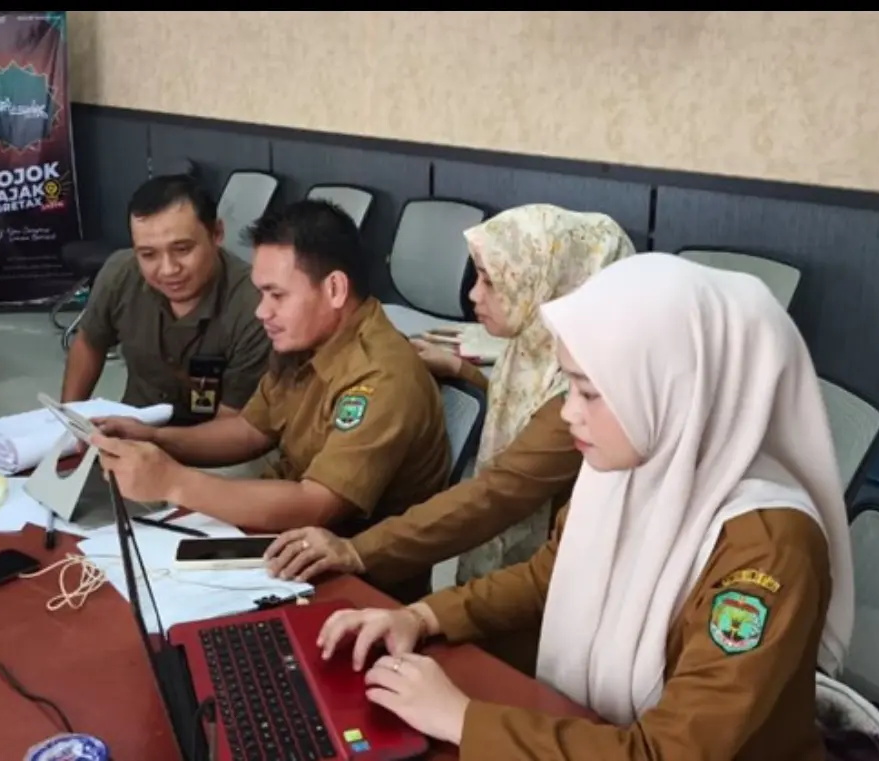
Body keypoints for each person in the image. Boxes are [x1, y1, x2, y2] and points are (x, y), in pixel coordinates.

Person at [314, 253, 854, 761]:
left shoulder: (770, 545)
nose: (569, 413)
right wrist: (421, 616)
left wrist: (463, 719)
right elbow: (549, 576)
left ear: (673, 393)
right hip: (593, 728)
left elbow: (670, 752)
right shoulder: (624, 470)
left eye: (588, 393)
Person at [265, 204, 635, 608]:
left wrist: (358, 550)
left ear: (548, 283)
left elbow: (497, 494)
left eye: (492, 281)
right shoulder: (534, 348)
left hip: (560, 597)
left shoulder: (581, 395)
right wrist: (462, 370)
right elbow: (521, 409)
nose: (474, 294)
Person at [92, 200, 451, 536]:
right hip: (285, 534)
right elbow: (250, 430)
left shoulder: (381, 377)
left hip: (346, 564)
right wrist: (154, 437)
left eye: (277, 295)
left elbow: (316, 506)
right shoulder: (306, 341)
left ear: (335, 289)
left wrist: (173, 481)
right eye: (261, 294)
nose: (262, 311)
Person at [61, 174, 270, 425]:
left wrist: (150, 441)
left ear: (216, 233)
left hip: (212, 441)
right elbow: (89, 342)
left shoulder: (257, 306)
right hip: (132, 427)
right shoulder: (121, 273)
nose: (168, 270)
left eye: (182, 249)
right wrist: (68, 423)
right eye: (148, 254)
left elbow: (234, 427)